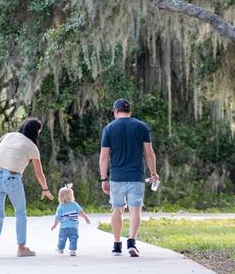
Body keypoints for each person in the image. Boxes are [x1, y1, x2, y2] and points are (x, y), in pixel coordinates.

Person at [0, 117, 54, 258]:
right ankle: (21, 247)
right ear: (36, 132)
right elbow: (39, 174)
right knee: (20, 213)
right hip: (12, 177)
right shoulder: (32, 147)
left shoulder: (8, 136)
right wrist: (45, 189)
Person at [99, 98, 159, 257]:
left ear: (116, 111)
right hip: (136, 176)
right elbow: (149, 153)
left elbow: (104, 157)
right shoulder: (141, 127)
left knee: (117, 209)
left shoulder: (109, 128)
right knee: (135, 209)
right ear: (129, 110)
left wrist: (104, 179)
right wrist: (153, 173)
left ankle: (117, 245)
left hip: (117, 177)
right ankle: (131, 242)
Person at [51, 183, 91, 255]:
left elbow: (57, 217)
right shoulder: (74, 204)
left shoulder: (61, 207)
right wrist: (86, 218)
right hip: (73, 226)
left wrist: (54, 225)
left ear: (60, 197)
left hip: (63, 227)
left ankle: (60, 249)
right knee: (74, 238)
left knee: (62, 238)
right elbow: (81, 212)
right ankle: (72, 250)